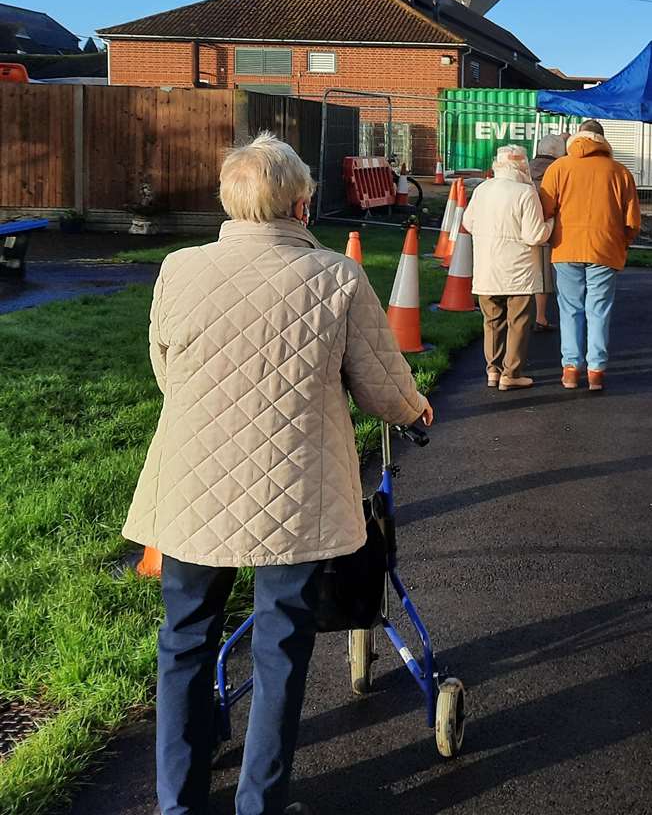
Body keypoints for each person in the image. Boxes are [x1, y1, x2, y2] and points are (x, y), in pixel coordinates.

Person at [123, 132, 434, 815]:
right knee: (281, 639)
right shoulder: (335, 276)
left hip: (192, 480)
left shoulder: (179, 268)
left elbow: (166, 371)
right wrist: (415, 411)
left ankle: (176, 803)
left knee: (184, 637)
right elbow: (381, 384)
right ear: (300, 203)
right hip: (291, 486)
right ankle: (259, 803)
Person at [538, 119, 641, 392]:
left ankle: (570, 370)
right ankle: (596, 371)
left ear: (576, 138)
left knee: (570, 309)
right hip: (605, 249)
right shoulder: (620, 173)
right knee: (599, 311)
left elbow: (545, 210)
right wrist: (622, 243)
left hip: (565, 248)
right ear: (604, 141)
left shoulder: (558, 168)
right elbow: (632, 222)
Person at [463, 144, 553, 390]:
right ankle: (511, 374)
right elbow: (535, 235)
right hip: (518, 271)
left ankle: (492, 370)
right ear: (523, 165)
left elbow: (468, 222)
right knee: (518, 322)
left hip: (486, 268)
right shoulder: (526, 192)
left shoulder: (482, 189)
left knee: (492, 321)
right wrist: (551, 223)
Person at [529, 132, 568, 331]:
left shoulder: (525, 168)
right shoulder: (558, 171)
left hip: (522, 227)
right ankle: (540, 317)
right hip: (546, 227)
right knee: (544, 274)